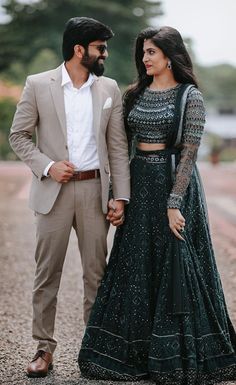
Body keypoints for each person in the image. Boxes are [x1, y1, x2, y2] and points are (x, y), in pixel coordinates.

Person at [78, 26, 236, 384]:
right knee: (136, 266)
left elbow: (189, 155)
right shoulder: (134, 95)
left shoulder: (189, 96)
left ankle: (178, 355)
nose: (145, 58)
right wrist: (117, 194)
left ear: (169, 54)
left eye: (151, 52)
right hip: (139, 185)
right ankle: (136, 351)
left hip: (174, 186)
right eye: (143, 53)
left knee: (177, 264)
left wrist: (174, 202)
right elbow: (120, 149)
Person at [9, 16, 130, 378]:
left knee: (97, 274)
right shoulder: (37, 84)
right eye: (99, 47)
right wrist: (47, 166)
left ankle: (93, 351)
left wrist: (120, 196)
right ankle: (43, 349)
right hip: (53, 193)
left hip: (95, 190)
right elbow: (18, 137)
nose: (104, 53)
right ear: (80, 49)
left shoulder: (109, 88)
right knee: (47, 274)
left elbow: (118, 147)